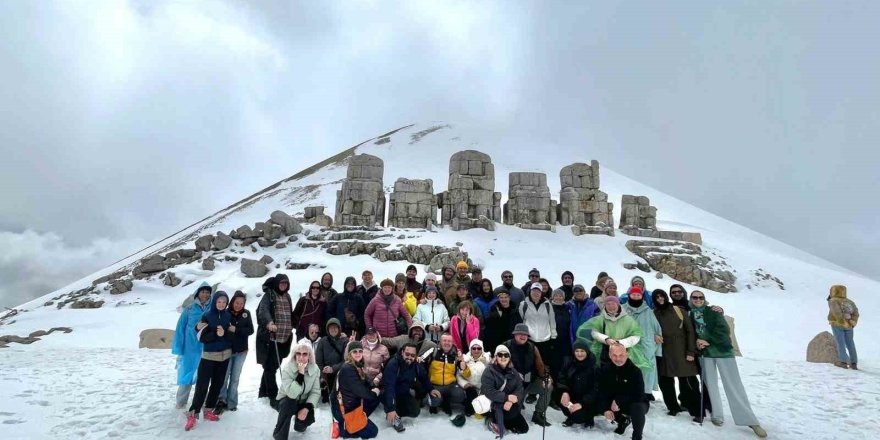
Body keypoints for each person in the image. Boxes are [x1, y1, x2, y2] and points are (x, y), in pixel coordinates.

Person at [690, 291, 767, 438]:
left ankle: (750, 420)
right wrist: (697, 343)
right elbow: (692, 333)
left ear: (704, 299)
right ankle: (717, 415)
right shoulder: (691, 314)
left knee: (733, 385)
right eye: (695, 297)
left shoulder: (713, 311)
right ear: (691, 299)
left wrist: (708, 340)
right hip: (705, 354)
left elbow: (724, 330)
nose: (698, 300)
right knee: (710, 385)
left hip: (722, 351)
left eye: (701, 297)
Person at [185, 291, 233, 431]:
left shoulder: (227, 316)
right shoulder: (207, 316)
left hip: (224, 356)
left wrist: (226, 333)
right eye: (219, 301)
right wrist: (215, 334)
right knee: (202, 385)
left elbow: (231, 336)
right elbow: (201, 336)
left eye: (224, 302)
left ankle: (208, 410)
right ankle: (193, 414)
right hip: (209, 356)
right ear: (214, 302)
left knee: (217, 385)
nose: (221, 304)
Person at [652, 289, 701, 421]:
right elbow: (650, 330)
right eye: (656, 297)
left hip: (681, 350)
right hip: (663, 352)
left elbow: (690, 331)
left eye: (661, 296)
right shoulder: (654, 313)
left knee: (688, 382)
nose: (660, 299)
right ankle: (673, 407)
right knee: (665, 382)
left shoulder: (678, 310)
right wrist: (654, 336)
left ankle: (697, 411)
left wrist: (691, 351)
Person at [576, 296, 651, 375]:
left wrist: (621, 343)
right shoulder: (600, 319)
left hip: (625, 352)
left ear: (618, 305)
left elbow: (636, 336)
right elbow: (594, 333)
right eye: (608, 304)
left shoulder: (628, 320)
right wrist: (606, 339)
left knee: (624, 374)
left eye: (613, 304)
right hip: (605, 352)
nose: (611, 306)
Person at [382, 343, 440, 432]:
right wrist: (391, 409)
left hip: (404, 393)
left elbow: (423, 377)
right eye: (407, 354)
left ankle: (397, 411)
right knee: (391, 405)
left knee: (415, 411)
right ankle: (391, 413)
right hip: (389, 393)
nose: (409, 357)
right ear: (402, 352)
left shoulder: (415, 364)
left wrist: (431, 389)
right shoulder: (393, 364)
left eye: (413, 355)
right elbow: (389, 388)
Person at [502, 324, 552, 427]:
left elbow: (540, 365)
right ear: (514, 334)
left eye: (525, 334)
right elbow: (498, 368)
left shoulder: (533, 347)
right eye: (520, 333)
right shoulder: (506, 346)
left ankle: (538, 414)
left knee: (548, 387)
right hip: (513, 387)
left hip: (529, 382)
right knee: (513, 415)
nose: (523, 336)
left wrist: (546, 377)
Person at [257, 274, 295, 408]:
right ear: (277, 283)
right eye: (282, 283)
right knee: (270, 366)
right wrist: (269, 323)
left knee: (272, 365)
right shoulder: (269, 295)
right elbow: (263, 310)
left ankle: (263, 391)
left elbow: (290, 313)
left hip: (285, 338)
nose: (284, 285)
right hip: (272, 337)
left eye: (286, 283)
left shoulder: (287, 296)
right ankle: (273, 396)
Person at [597, 344, 649, 440]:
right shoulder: (604, 370)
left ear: (627, 354)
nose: (618, 359)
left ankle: (637, 436)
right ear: (609, 355)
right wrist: (605, 409)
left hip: (633, 402)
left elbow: (638, 394)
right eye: (614, 355)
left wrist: (618, 401)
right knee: (596, 402)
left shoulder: (635, 371)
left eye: (621, 355)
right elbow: (601, 392)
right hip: (613, 404)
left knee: (637, 406)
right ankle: (623, 421)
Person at [331, 342, 381, 439]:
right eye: (354, 352)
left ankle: (358, 421)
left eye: (360, 351)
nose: (358, 354)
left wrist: (373, 387)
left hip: (352, 404)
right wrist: (374, 393)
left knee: (376, 397)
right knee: (373, 431)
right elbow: (360, 390)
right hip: (344, 410)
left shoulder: (357, 365)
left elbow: (364, 383)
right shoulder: (347, 369)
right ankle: (345, 428)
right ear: (350, 354)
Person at [173, 283, 211, 409]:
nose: (205, 294)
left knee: (204, 376)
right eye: (202, 291)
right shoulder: (189, 309)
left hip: (206, 348)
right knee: (186, 375)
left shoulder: (213, 308)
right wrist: (179, 347)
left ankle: (203, 401)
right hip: (190, 348)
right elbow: (180, 328)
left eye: (207, 292)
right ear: (198, 293)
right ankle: (181, 402)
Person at [273, 340, 320, 439]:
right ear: (294, 355)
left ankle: (300, 425)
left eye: (305, 354)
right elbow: (291, 394)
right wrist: (300, 374)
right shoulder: (287, 368)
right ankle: (279, 435)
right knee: (288, 404)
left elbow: (315, 392)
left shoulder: (315, 369)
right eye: (298, 354)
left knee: (302, 424)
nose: (301, 357)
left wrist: (307, 408)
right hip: (285, 401)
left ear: (309, 356)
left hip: (303, 402)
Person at [621, 287, 662, 400]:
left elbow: (657, 329)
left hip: (646, 347)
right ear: (629, 295)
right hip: (628, 346)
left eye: (638, 295)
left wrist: (658, 349)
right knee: (628, 371)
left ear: (642, 296)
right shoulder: (622, 309)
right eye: (633, 295)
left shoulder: (648, 311)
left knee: (645, 372)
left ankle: (644, 395)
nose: (636, 297)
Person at [216, 291, 253, 413]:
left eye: (241, 303)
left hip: (241, 351)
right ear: (232, 302)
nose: (239, 305)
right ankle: (221, 400)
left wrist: (236, 329)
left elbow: (250, 330)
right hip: (227, 350)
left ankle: (232, 402)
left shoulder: (246, 314)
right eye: (237, 302)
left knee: (235, 378)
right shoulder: (225, 313)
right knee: (224, 376)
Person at [481, 344, 529, 437]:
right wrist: (506, 397)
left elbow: (520, 388)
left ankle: (502, 422)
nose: (503, 357)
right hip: (494, 403)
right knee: (511, 414)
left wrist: (511, 400)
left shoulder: (513, 372)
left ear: (509, 357)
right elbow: (488, 391)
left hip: (508, 403)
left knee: (523, 428)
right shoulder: (489, 371)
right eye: (500, 355)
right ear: (495, 357)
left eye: (506, 355)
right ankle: (491, 419)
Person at [517, 283, 557, 388]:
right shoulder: (523, 304)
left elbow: (552, 322)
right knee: (530, 365)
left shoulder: (548, 305)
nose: (536, 293)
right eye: (534, 291)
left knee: (544, 365)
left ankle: (545, 386)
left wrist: (553, 337)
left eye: (538, 291)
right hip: (530, 340)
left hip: (545, 340)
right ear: (530, 292)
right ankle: (531, 390)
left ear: (541, 293)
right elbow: (521, 321)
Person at [428, 333, 469, 426]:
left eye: (449, 341)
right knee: (435, 401)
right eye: (444, 340)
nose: (447, 343)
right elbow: (421, 361)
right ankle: (436, 403)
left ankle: (446, 401)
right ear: (440, 342)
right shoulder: (433, 351)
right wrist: (428, 387)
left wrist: (464, 367)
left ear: (452, 342)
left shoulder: (456, 355)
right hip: (435, 385)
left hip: (450, 385)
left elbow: (467, 374)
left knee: (460, 395)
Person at [557, 340, 599, 428]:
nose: (579, 354)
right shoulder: (568, 362)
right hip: (572, 396)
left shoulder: (594, 367)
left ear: (587, 351)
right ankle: (570, 416)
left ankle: (589, 417)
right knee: (558, 396)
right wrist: (565, 392)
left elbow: (595, 390)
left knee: (578, 417)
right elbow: (561, 378)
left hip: (587, 400)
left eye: (582, 351)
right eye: (577, 351)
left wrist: (582, 403)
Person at [317, 318, 350, 404]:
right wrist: (322, 374)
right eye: (331, 327)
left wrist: (333, 369)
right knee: (326, 395)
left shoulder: (345, 341)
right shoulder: (322, 341)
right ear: (327, 329)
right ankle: (324, 387)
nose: (333, 329)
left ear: (339, 328)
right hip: (325, 372)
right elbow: (319, 361)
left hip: (339, 371)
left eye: (335, 327)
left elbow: (346, 360)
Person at [548, 289, 571, 409]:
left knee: (563, 372)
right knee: (553, 372)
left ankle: (561, 397)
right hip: (552, 345)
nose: (558, 297)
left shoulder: (567, 309)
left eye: (560, 296)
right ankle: (552, 398)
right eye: (556, 295)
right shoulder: (549, 308)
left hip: (565, 345)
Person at [827, 285, 859, 370]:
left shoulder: (833, 300)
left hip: (837, 324)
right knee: (850, 343)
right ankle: (854, 363)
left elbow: (836, 312)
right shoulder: (850, 302)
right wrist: (853, 322)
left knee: (840, 343)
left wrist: (841, 321)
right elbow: (856, 313)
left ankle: (843, 362)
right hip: (849, 325)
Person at [457, 339, 492, 417]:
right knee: (470, 409)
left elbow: (493, 375)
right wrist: (465, 384)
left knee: (485, 413)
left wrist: (486, 363)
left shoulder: (488, 360)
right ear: (470, 349)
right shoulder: (464, 359)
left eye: (479, 348)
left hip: (482, 389)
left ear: (482, 349)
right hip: (469, 388)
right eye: (474, 348)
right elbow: (458, 375)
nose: (476, 350)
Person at [484, 290, 517, 355]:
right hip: (498, 344)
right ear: (498, 299)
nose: (504, 299)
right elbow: (489, 331)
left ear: (509, 298)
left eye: (506, 297)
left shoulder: (515, 311)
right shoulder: (493, 311)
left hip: (511, 342)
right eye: (501, 297)